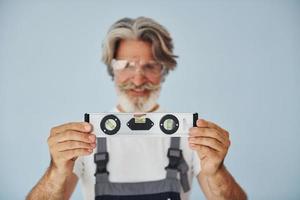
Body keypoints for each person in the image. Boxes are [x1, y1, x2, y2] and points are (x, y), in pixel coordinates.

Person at [26, 17, 247, 200]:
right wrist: (57, 168)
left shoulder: (189, 135)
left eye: (150, 66)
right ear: (112, 69)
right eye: (127, 66)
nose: (138, 79)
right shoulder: (87, 137)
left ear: (164, 71)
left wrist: (216, 171)